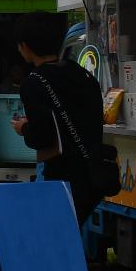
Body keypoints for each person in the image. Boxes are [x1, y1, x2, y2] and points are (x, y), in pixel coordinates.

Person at [14, 16, 106, 232]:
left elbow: (42, 135)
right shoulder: (84, 75)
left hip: (60, 173)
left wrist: (24, 128)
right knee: (70, 233)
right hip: (93, 172)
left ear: (26, 47)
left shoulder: (34, 82)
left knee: (52, 236)